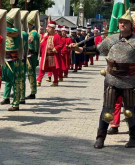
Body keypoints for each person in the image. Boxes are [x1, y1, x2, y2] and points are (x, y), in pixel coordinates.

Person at [69, 10, 135, 149]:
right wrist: (81, 50)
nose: (123, 24)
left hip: (130, 80)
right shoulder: (111, 40)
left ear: (131, 25)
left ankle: (133, 138)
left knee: (130, 110)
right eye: (121, 22)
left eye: (126, 22)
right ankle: (100, 139)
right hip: (112, 79)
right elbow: (97, 50)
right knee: (107, 109)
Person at [0, 9, 23, 111]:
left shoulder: (15, 31)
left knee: (15, 82)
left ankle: (16, 104)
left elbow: (11, 32)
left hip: (13, 60)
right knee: (1, 80)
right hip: (4, 59)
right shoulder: (3, 31)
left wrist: (0, 25)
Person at [37, 21, 62, 87]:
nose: (47, 29)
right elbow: (42, 45)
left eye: (49, 28)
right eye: (47, 28)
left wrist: (56, 48)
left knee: (54, 69)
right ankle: (39, 81)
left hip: (53, 56)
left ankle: (56, 81)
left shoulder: (57, 36)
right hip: (45, 56)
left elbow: (61, 44)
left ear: (53, 29)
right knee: (42, 68)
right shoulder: (46, 36)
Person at [25, 10, 40, 100]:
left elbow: (29, 41)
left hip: (31, 55)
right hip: (31, 55)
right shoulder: (32, 32)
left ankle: (33, 92)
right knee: (31, 74)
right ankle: (32, 91)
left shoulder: (33, 33)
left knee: (31, 74)